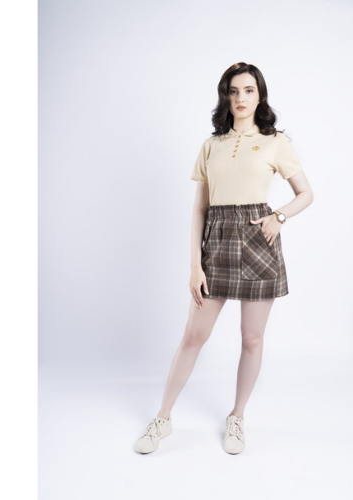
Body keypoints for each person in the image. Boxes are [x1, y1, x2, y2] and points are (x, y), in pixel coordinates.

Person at [135, 62, 314, 455]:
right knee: (193, 335)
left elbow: (306, 193)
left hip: (258, 242)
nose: (241, 98)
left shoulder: (275, 142)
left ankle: (237, 416)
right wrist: (194, 265)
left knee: (252, 338)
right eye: (234, 91)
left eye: (249, 90)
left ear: (260, 96)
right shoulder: (211, 145)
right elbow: (200, 209)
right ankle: (163, 418)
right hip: (216, 243)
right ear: (225, 96)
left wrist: (279, 216)